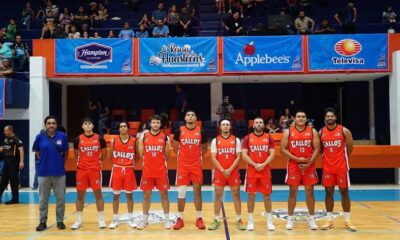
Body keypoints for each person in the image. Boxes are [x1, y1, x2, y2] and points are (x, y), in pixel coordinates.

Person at [280, 110, 320, 230]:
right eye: (299, 116)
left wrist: (309, 163)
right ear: (295, 119)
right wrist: (297, 159)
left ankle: (312, 219)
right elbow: (282, 149)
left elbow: (317, 149)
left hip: (309, 164)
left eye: (303, 116)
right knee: (293, 191)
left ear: (306, 118)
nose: (301, 118)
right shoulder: (288, 132)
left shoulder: (312, 131)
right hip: (293, 165)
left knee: (310, 192)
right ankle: (290, 219)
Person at [319, 108, 357, 232]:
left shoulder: (344, 131)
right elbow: (320, 150)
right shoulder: (321, 132)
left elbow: (350, 148)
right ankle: (329, 220)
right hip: (327, 168)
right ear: (325, 118)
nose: (330, 118)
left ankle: (347, 220)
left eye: (332, 116)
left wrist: (342, 159)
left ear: (335, 117)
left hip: (341, 168)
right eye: (327, 116)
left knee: (344, 192)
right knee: (328, 193)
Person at [33, 115, 69, 231]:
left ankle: (60, 221)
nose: (51, 125)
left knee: (61, 199)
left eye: (53, 123)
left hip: (59, 173)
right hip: (43, 173)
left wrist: (59, 163)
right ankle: (42, 221)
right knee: (43, 199)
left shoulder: (62, 136)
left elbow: (66, 153)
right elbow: (37, 152)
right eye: (49, 123)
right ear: (45, 125)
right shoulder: (39, 137)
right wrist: (45, 162)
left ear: (56, 125)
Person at [172, 110, 208, 230]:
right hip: (183, 166)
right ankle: (180, 218)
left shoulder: (201, 131)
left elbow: (204, 148)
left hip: (196, 166)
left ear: (196, 118)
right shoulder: (179, 131)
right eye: (188, 115)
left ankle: (199, 218)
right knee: (181, 193)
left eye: (193, 115)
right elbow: (176, 147)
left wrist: (196, 158)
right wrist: (183, 157)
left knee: (197, 192)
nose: (191, 117)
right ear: (185, 118)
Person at [208, 119, 245, 230]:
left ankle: (239, 219)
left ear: (230, 127)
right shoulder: (215, 140)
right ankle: (216, 219)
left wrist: (229, 170)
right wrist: (223, 170)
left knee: (236, 195)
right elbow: (213, 157)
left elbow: (238, 157)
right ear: (220, 127)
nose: (225, 126)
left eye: (227, 125)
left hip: (233, 172)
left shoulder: (236, 140)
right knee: (218, 196)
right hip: (220, 172)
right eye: (223, 125)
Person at [71, 117, 107, 230]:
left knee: (98, 194)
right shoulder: (78, 139)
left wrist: (97, 162)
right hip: (82, 170)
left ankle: (101, 220)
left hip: (95, 170)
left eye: (89, 123)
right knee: (80, 195)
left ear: (92, 126)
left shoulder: (99, 138)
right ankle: (78, 220)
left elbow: (105, 154)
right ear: (82, 126)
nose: (87, 125)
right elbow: (77, 155)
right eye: (85, 124)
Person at [137, 115, 172, 229]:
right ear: (150, 124)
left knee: (164, 195)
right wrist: (147, 163)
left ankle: (166, 220)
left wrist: (160, 163)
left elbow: (167, 155)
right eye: (154, 122)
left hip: (161, 170)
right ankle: (145, 220)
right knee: (146, 195)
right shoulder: (144, 136)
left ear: (160, 124)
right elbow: (141, 154)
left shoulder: (165, 137)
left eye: (158, 122)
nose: (156, 124)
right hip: (147, 171)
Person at [242, 117, 276, 231]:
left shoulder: (269, 138)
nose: (258, 124)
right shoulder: (247, 138)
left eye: (260, 122)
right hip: (252, 171)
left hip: (265, 171)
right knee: (251, 196)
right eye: (256, 123)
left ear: (263, 125)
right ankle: (250, 221)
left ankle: (269, 221)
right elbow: (244, 155)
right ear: (253, 125)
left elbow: (272, 154)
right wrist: (255, 164)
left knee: (267, 196)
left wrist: (263, 164)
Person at [108, 121, 138, 229]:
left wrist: (129, 164)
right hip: (117, 169)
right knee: (116, 196)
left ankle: (130, 219)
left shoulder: (134, 141)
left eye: (125, 126)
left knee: (129, 196)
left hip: (129, 170)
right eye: (121, 126)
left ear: (128, 128)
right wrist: (119, 164)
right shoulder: (113, 140)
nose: (123, 128)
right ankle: (115, 219)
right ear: (119, 129)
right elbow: (111, 156)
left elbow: (137, 156)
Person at [0, 125, 24, 204]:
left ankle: (15, 199)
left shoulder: (16, 139)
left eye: (5, 130)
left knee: (13, 181)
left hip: (13, 161)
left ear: (10, 130)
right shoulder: (6, 139)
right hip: (6, 161)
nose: (4, 132)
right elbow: (3, 148)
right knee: (3, 180)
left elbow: (21, 150)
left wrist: (21, 162)